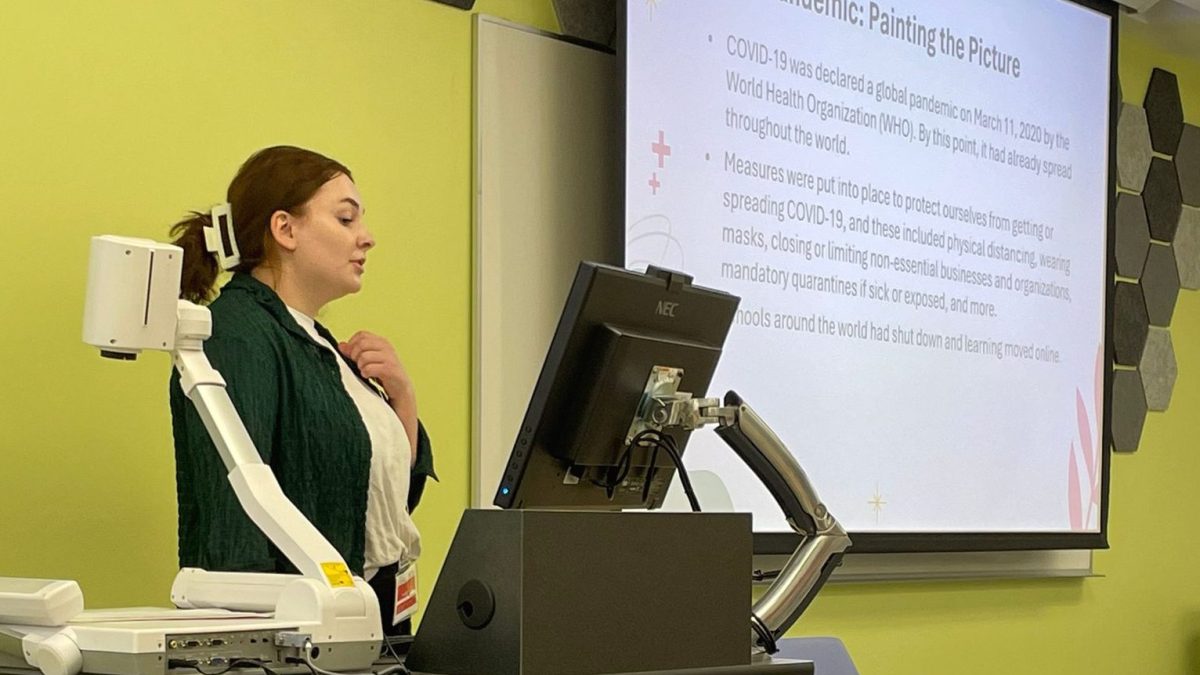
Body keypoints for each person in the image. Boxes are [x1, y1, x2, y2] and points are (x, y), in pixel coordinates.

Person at [167, 145, 436, 635]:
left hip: (370, 623)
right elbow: (236, 523)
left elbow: (386, 504)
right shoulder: (238, 334)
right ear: (285, 229)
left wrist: (403, 397)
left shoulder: (320, 344)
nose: (367, 238)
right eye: (346, 219)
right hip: (301, 637)